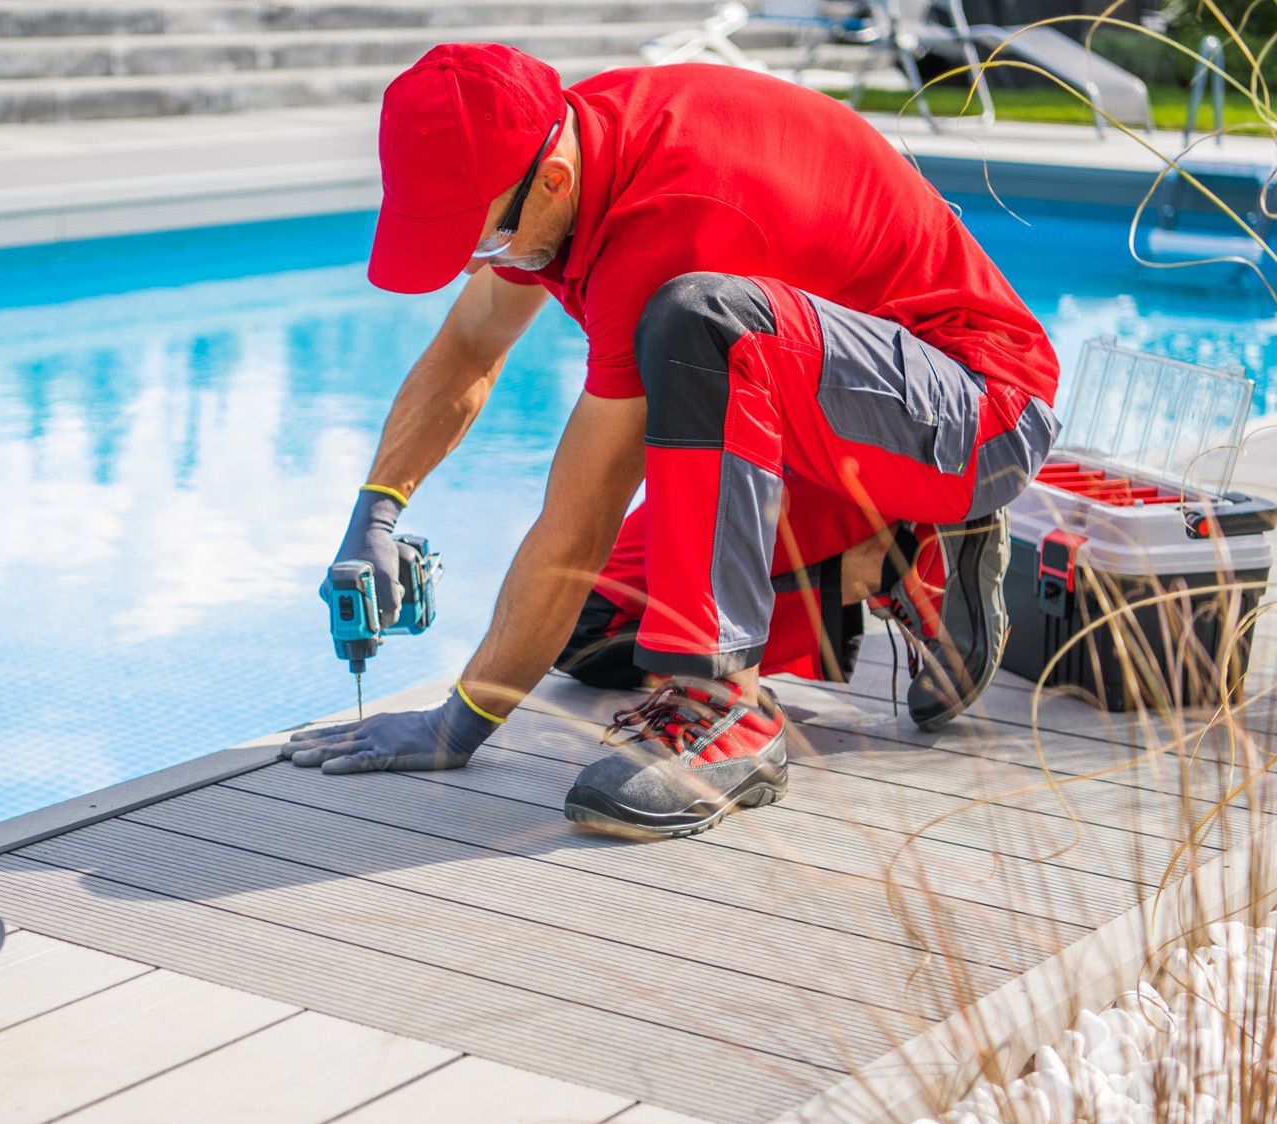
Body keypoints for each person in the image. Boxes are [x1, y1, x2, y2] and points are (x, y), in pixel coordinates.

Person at [282, 44, 1060, 840]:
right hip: (837, 427)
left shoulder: (664, 222)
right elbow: (470, 345)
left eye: (484, 244)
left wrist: (462, 722)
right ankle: (892, 557)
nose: (483, 267)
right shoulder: (560, 154)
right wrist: (375, 511)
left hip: (975, 415)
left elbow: (576, 523)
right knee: (594, 628)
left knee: (700, 324)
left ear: (552, 182)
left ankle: (729, 717)